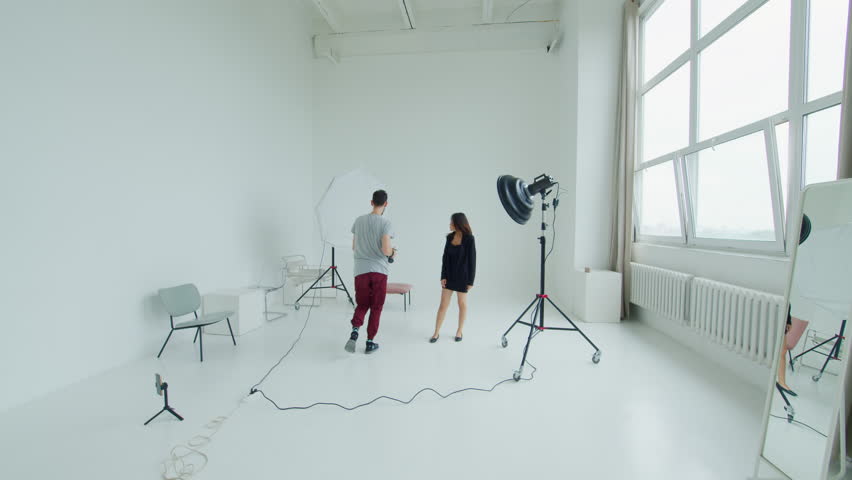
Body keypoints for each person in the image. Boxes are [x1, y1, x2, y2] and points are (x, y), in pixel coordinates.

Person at [345, 190, 395, 354]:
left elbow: (354, 247)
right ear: (386, 204)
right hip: (379, 271)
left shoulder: (358, 221)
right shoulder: (386, 223)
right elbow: (386, 249)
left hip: (360, 270)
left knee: (362, 304)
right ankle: (369, 342)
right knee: (376, 307)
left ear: (371, 202)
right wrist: (392, 253)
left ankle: (355, 331)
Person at [431, 213, 476, 343]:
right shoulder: (449, 237)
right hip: (449, 276)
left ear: (458, 223)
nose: (449, 224)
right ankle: (436, 332)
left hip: (463, 277)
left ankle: (459, 331)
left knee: (462, 304)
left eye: (451, 222)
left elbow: (472, 260)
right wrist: (443, 276)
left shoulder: (469, 239)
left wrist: (470, 281)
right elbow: (445, 258)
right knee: (443, 305)